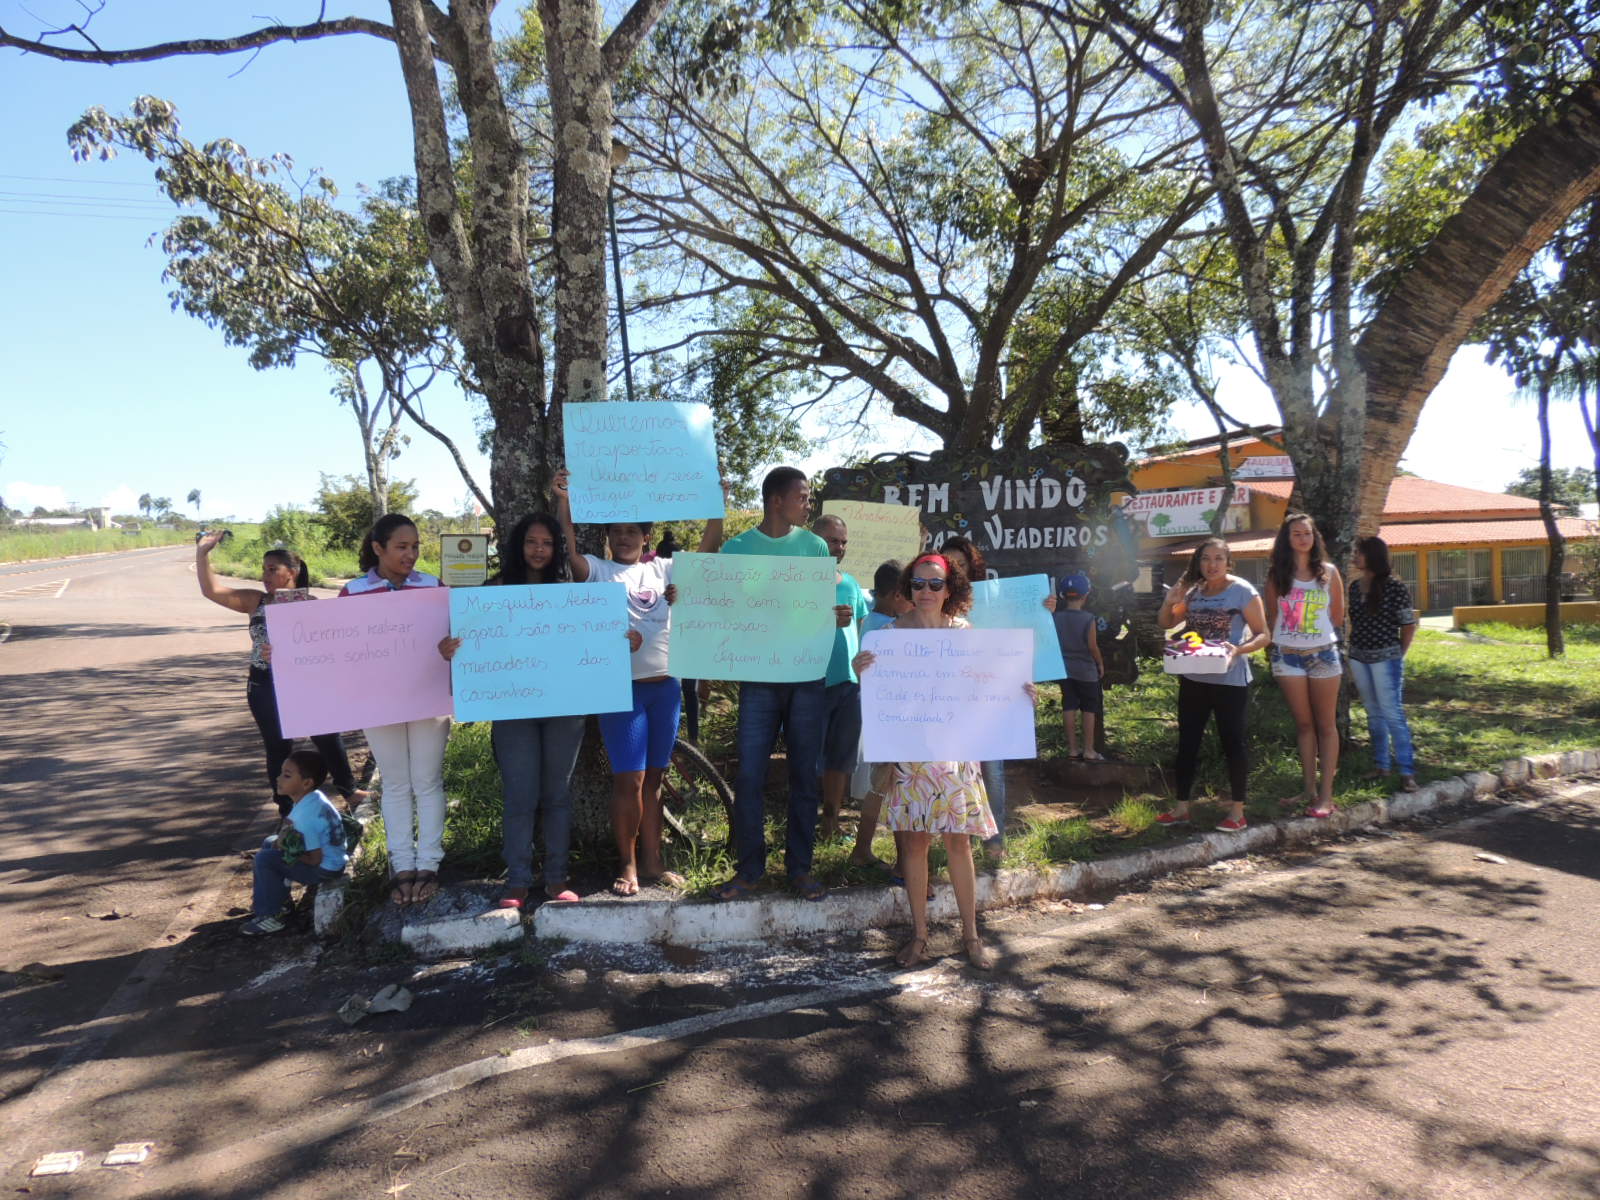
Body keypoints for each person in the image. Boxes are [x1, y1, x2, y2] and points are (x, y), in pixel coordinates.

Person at [853, 553, 1035, 969]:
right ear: (907, 590)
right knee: (914, 845)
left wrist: (1018, 691)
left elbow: (985, 686)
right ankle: (919, 936)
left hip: (955, 754)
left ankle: (971, 935)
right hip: (911, 755)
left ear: (949, 589)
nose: (926, 592)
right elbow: (877, 694)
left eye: (935, 584)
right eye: (918, 584)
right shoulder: (890, 637)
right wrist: (860, 668)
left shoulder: (965, 633)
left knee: (959, 842)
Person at [554, 471, 721, 896]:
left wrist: (715, 501)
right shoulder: (598, 571)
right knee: (628, 780)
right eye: (616, 531)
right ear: (607, 537)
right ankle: (627, 865)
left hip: (666, 689)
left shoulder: (665, 569)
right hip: (621, 691)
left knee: (655, 778)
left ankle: (653, 861)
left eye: (633, 531)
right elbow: (568, 550)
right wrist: (564, 501)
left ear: (647, 537)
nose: (624, 537)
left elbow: (709, 549)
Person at [709, 466, 851, 902]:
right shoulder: (737, 549)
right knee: (749, 776)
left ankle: (800, 869)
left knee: (804, 775)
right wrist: (688, 596)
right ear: (776, 500)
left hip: (807, 678)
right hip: (758, 681)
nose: (808, 505)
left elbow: (822, 604)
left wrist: (837, 615)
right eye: (803, 497)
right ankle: (749, 869)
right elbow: (714, 600)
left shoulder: (813, 548)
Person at [437, 514, 586, 909]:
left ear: (556, 549)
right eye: (531, 542)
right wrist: (451, 650)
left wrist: (619, 641)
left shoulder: (570, 593)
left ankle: (556, 878)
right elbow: (470, 642)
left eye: (547, 543)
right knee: (520, 796)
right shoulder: (494, 590)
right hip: (513, 708)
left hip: (564, 708)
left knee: (557, 795)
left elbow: (589, 645)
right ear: (518, 546)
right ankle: (517, 881)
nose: (539, 550)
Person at [195, 531, 364, 816]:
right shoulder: (255, 602)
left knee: (326, 735)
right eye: (263, 569)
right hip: (265, 685)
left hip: (306, 684)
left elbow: (331, 647)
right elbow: (212, 590)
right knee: (277, 747)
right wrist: (202, 554)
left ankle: (349, 791)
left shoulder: (311, 604)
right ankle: (287, 809)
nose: (265, 575)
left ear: (293, 572)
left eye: (272, 570)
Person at [339, 513, 450, 906]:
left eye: (416, 546)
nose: (411, 554)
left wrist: (450, 648)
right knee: (398, 784)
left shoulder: (433, 586)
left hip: (429, 696)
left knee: (428, 780)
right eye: (402, 547)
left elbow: (449, 636)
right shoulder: (352, 592)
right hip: (379, 701)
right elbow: (333, 649)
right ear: (378, 548)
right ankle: (401, 866)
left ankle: (430, 866)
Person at [1155, 537, 1271, 832]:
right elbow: (1167, 623)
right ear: (1198, 562)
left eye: (1218, 558)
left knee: (1233, 743)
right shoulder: (1193, 592)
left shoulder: (1242, 591)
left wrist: (1238, 650)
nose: (1212, 565)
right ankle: (1181, 808)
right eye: (1206, 559)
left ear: (1228, 562)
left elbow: (1263, 634)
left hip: (1229, 680)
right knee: (1187, 743)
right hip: (1193, 676)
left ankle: (1237, 812)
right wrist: (1169, 603)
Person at [1265, 512, 1345, 819]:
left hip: (1323, 654)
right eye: (1295, 534)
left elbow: (1337, 616)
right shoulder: (1276, 575)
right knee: (1303, 724)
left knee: (1326, 725)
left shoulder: (1329, 572)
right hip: (1287, 656)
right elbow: (1271, 616)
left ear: (1315, 538)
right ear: (1287, 539)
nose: (1302, 538)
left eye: (1307, 533)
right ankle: (1308, 790)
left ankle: (1326, 796)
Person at [939, 536, 1016, 850]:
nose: (954, 567)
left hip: (987, 690)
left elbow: (1016, 631)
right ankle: (958, 838)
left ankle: (994, 838)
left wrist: (1044, 609)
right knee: (952, 766)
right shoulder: (932, 599)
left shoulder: (992, 599)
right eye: (948, 561)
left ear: (972, 567)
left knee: (991, 767)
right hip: (947, 697)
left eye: (960, 562)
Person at [241, 749, 350, 936]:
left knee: (265, 859)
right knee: (270, 842)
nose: (278, 779)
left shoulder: (304, 818)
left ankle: (270, 916)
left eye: (287, 775)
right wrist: (281, 845)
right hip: (334, 859)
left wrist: (287, 850)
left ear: (307, 783)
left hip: (324, 869)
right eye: (281, 773)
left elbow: (315, 859)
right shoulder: (313, 798)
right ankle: (280, 902)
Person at [846, 560, 908, 872]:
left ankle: (866, 850)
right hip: (890, 720)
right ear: (898, 595)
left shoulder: (872, 620)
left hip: (884, 718)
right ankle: (901, 860)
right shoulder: (885, 629)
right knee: (892, 787)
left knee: (884, 787)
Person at [813, 514, 871, 841]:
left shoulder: (850, 584)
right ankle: (805, 820)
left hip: (849, 684)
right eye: (833, 540)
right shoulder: (797, 581)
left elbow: (860, 632)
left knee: (841, 758)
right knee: (810, 758)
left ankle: (830, 823)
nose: (839, 547)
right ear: (816, 541)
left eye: (844, 541)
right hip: (811, 683)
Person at [1347, 535, 1420, 793]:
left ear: (1373, 556)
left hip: (1386, 658)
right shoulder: (1354, 587)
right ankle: (1381, 765)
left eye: (1360, 552)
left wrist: (1399, 654)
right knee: (1373, 712)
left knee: (1392, 713)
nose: (1355, 556)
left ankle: (1407, 771)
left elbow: (1408, 625)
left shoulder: (1395, 587)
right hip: (1359, 656)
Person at [1053, 572, 1106, 761]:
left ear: (1062, 595)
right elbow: (1092, 646)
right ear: (1086, 595)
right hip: (1086, 671)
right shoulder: (1088, 618)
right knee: (1089, 708)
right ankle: (1089, 750)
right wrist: (1100, 662)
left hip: (1064, 669)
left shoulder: (1056, 617)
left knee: (1068, 705)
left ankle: (1072, 750)